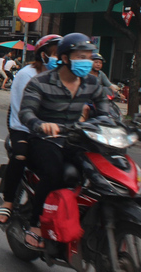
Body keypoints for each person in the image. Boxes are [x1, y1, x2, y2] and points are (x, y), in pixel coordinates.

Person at [18, 32, 111, 249]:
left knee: (99, 172)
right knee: (54, 174)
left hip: (76, 138)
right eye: (81, 57)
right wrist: (40, 124)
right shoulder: (40, 82)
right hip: (45, 139)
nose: (87, 62)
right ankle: (36, 225)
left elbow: (106, 111)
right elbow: (26, 113)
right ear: (66, 58)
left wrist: (112, 123)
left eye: (89, 57)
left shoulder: (91, 82)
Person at [0, 34, 61, 225]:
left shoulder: (67, 76)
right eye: (54, 53)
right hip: (24, 127)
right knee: (20, 155)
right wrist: (40, 124)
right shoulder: (28, 74)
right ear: (42, 55)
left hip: (58, 130)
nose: (58, 58)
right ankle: (9, 202)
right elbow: (23, 108)